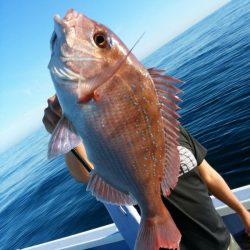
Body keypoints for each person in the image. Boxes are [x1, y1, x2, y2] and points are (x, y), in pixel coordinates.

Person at [43, 95, 250, 250]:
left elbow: (209, 175)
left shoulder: (175, 130)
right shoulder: (119, 152)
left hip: (223, 240)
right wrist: (68, 130)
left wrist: (243, 213)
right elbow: (85, 173)